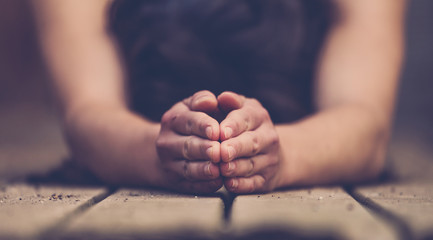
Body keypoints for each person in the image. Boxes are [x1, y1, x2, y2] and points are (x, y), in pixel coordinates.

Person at [32, 0, 405, 194]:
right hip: (130, 158)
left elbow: (367, 121)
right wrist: (157, 152)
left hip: (312, 161)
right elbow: (85, 111)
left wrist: (281, 155)